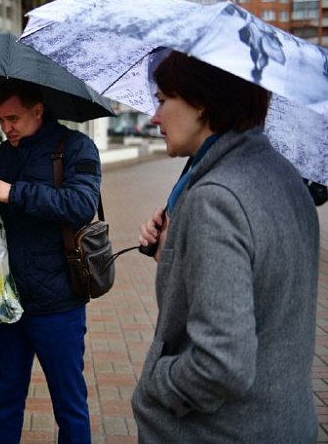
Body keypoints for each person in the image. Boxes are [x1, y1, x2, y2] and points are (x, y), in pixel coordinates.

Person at [134, 52, 319, 443]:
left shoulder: (214, 199)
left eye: (163, 99)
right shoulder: (284, 175)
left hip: (223, 430)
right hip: (284, 421)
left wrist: (155, 380)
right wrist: (173, 250)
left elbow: (221, 365)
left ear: (200, 103)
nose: (154, 117)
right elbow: (261, 287)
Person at [0, 79, 100, 443]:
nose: (6, 128)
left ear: (38, 111)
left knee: (69, 405)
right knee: (6, 399)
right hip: (7, 301)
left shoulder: (75, 147)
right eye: (0, 119)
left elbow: (82, 204)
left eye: (13, 118)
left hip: (58, 302)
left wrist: (14, 192)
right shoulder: (4, 154)